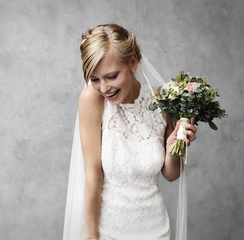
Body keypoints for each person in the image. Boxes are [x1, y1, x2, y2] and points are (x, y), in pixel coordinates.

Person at [63, 24, 197, 240]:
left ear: (133, 62)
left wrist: (173, 152)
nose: (104, 88)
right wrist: (90, 237)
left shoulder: (162, 100)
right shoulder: (92, 99)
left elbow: (171, 175)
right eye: (95, 79)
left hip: (156, 229)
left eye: (111, 76)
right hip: (107, 231)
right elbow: (92, 176)